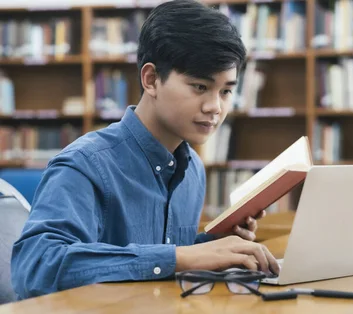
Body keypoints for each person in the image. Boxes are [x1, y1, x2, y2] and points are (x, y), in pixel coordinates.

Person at [11, 0, 279, 300]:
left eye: (226, 91)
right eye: (200, 87)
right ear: (151, 79)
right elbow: (35, 269)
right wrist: (182, 258)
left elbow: (159, 261)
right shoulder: (85, 164)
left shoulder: (192, 170)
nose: (215, 107)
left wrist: (213, 244)